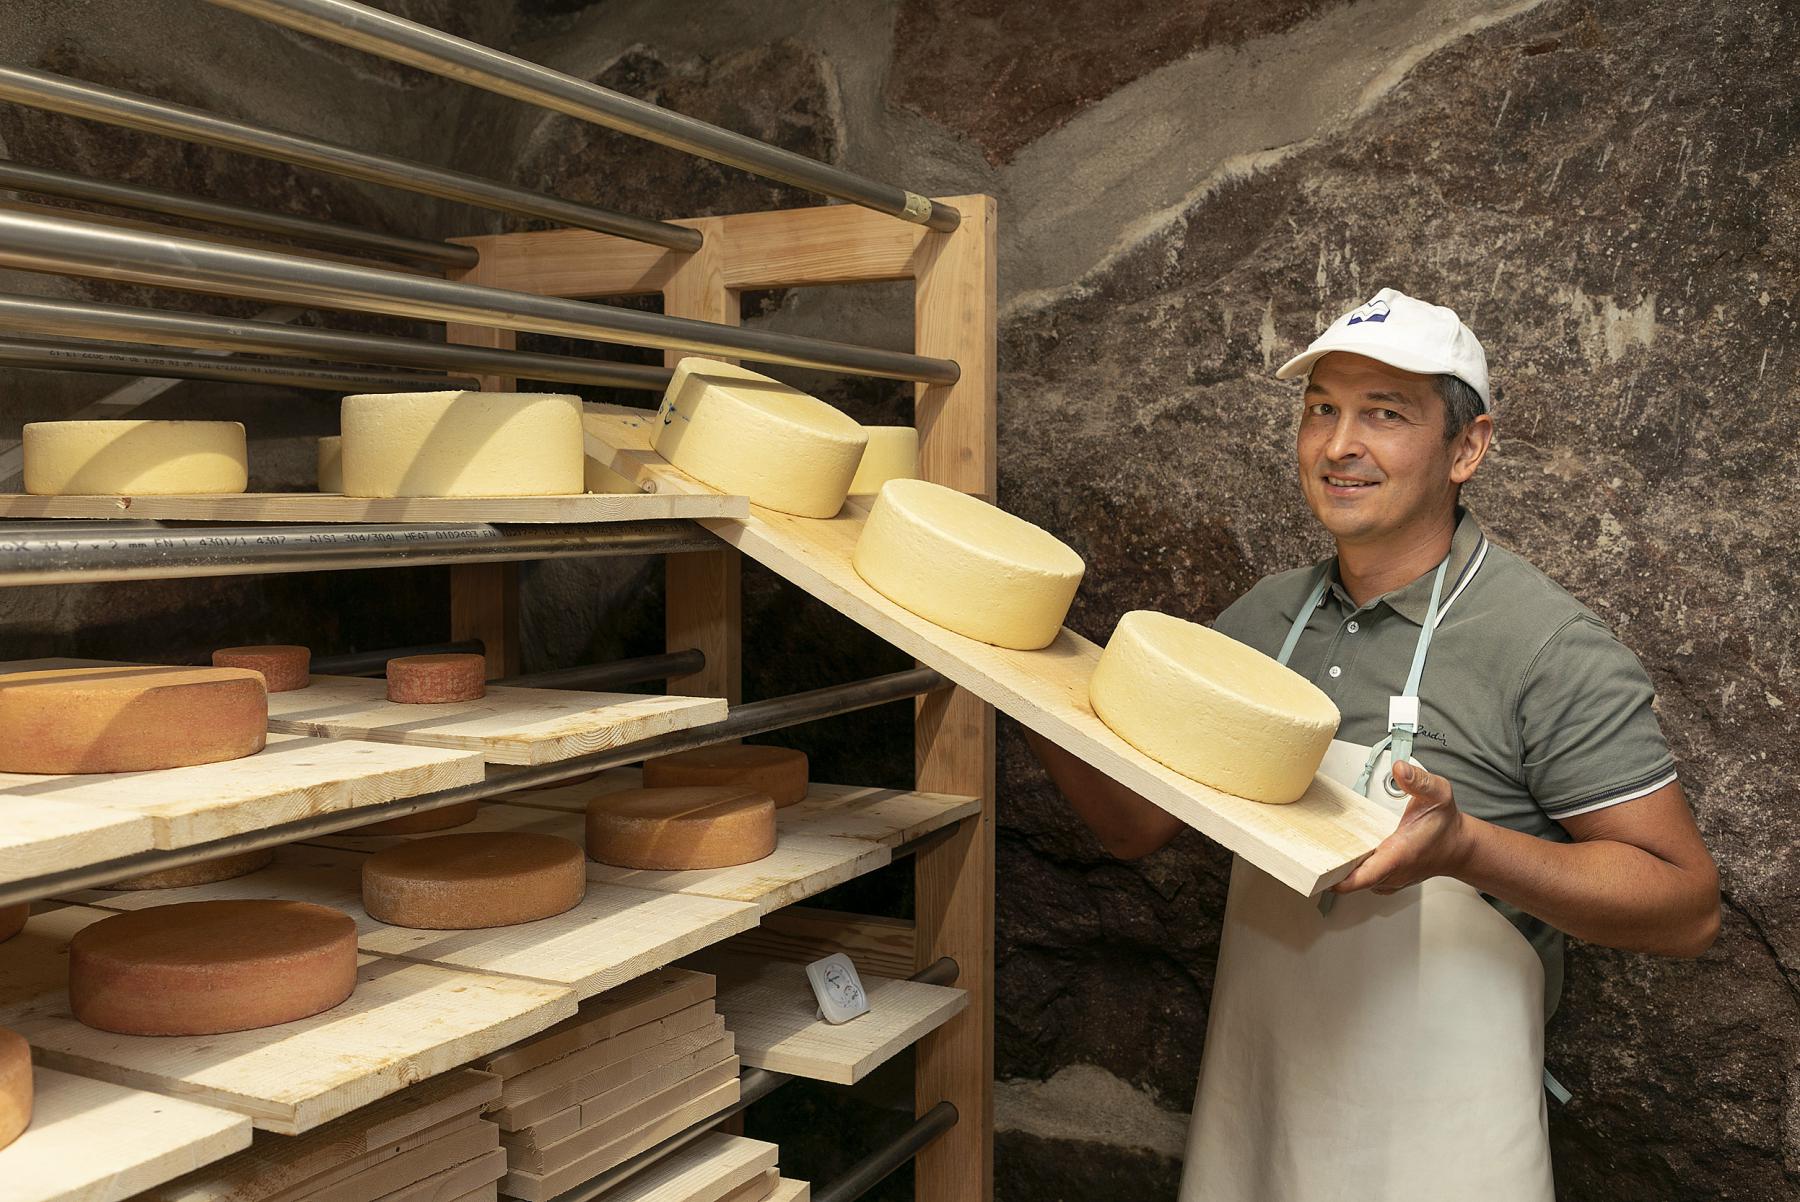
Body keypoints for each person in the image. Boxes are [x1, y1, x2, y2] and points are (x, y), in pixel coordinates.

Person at [1026, 288, 1720, 1201]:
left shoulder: (1546, 648)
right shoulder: (1264, 618)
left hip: (1444, 1144)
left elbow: (1686, 908)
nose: (1337, 445)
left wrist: (1467, 848)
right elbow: (1134, 828)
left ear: (1467, 448)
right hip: (1260, 1112)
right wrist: (1019, 676)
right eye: (1322, 410)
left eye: (1383, 415)